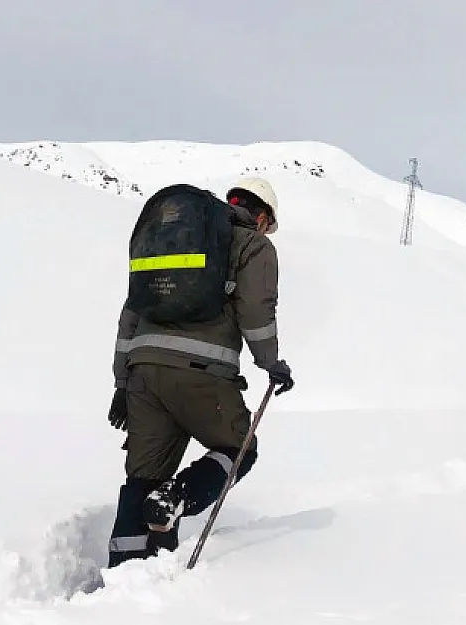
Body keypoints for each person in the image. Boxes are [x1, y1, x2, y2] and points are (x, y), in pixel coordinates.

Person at [104, 177, 295, 567]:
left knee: (143, 478)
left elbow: (130, 314)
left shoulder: (174, 239)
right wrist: (272, 363)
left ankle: (121, 580)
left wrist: (122, 383)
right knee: (239, 449)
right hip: (201, 373)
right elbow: (257, 312)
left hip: (142, 371)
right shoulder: (252, 244)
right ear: (261, 216)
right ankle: (175, 500)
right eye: (267, 223)